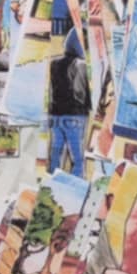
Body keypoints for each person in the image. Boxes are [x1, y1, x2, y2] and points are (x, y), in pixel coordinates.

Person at [45, 13, 91, 178]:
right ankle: (73, 186)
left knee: (55, 153)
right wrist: (88, 106)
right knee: (77, 158)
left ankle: (51, 182)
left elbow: (52, 90)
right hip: (74, 115)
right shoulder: (80, 65)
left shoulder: (54, 63)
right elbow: (79, 91)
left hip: (56, 114)